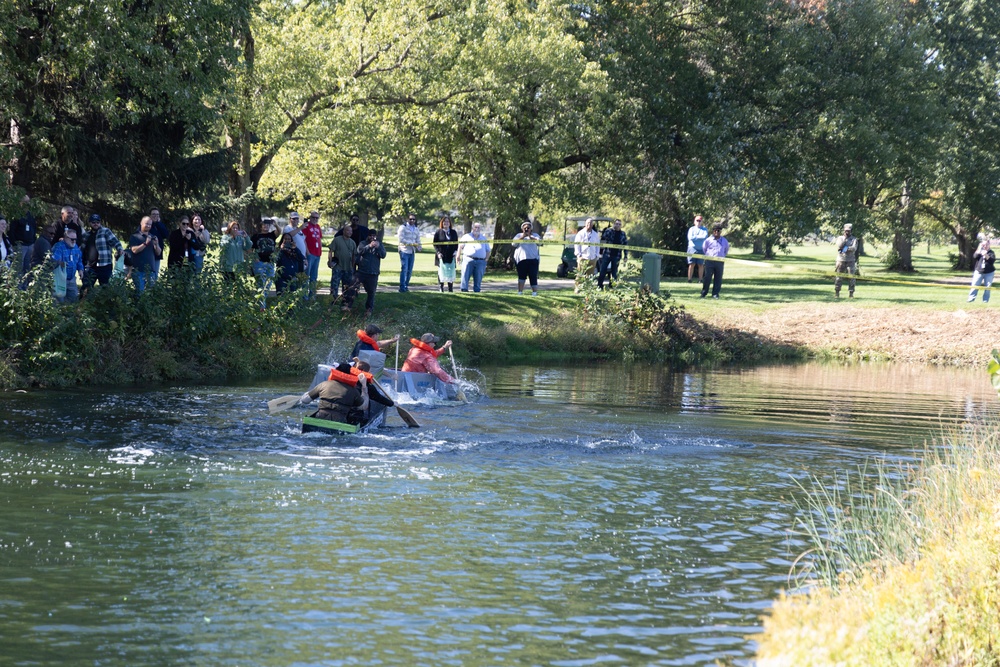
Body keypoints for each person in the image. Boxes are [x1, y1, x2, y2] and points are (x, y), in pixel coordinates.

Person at [298, 362, 369, 425]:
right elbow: (363, 407)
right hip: (340, 421)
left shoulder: (324, 384)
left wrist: (312, 392)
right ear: (349, 375)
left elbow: (305, 400)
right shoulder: (353, 391)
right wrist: (364, 386)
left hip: (321, 417)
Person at [80, 213, 123, 293]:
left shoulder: (105, 231)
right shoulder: (86, 235)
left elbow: (115, 242)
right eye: (93, 222)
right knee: (86, 289)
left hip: (104, 265)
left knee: (106, 289)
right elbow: (81, 249)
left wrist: (120, 249)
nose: (96, 224)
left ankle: (106, 305)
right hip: (90, 266)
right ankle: (83, 304)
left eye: (97, 222)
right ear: (90, 223)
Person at [355, 229, 387, 317]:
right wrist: (369, 246)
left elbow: (383, 255)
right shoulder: (363, 243)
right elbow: (359, 251)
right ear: (368, 236)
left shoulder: (379, 244)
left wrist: (378, 247)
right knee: (353, 287)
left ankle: (369, 309)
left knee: (371, 292)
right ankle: (348, 305)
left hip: (373, 272)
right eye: (370, 235)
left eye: (374, 236)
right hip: (362, 271)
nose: (372, 237)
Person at [50, 228, 84, 303]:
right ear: (65, 238)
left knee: (74, 300)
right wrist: (61, 263)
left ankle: (70, 314)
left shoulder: (76, 247)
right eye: (72, 239)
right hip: (60, 279)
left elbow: (79, 260)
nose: (74, 241)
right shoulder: (58, 247)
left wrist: (80, 270)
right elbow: (54, 261)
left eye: (75, 239)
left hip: (71, 279)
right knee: (59, 301)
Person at [128, 216, 160, 293]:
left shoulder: (152, 236)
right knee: (140, 293)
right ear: (141, 223)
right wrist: (145, 243)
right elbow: (134, 250)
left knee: (150, 294)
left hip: (151, 271)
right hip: (138, 271)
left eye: (150, 224)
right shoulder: (134, 236)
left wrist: (156, 245)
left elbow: (158, 253)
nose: (148, 226)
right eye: (146, 224)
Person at [327, 223, 357, 303]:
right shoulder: (337, 240)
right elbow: (330, 251)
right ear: (343, 231)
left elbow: (354, 255)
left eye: (351, 231)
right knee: (334, 286)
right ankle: (333, 302)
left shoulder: (353, 243)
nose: (349, 232)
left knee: (347, 287)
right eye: (348, 230)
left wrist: (352, 266)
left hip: (348, 268)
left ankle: (345, 303)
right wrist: (330, 262)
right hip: (338, 268)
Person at [251, 219, 278, 305]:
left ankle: (261, 302)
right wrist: (254, 258)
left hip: (270, 263)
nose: (266, 226)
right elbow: (250, 249)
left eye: (267, 225)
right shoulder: (256, 236)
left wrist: (276, 224)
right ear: (261, 226)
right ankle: (262, 305)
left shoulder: (272, 235)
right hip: (259, 263)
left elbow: (279, 231)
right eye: (264, 225)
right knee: (261, 284)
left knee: (269, 283)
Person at [457, 222, 490, 292]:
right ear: (472, 228)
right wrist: (458, 256)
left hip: (480, 261)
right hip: (468, 259)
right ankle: (464, 289)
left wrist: (486, 260)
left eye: (478, 228)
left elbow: (488, 250)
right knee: (465, 275)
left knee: (478, 277)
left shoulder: (483, 238)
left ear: (480, 229)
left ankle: (477, 290)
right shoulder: (466, 236)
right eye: (475, 227)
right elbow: (460, 246)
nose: (477, 229)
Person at [700, 223, 730, 299]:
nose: (716, 232)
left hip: (720, 262)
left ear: (721, 231)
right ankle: (704, 293)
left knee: (718, 278)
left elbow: (726, 250)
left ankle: (715, 294)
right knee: (707, 277)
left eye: (718, 230)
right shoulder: (708, 240)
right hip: (709, 261)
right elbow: (704, 249)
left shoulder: (724, 241)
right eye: (715, 230)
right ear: (713, 231)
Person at [597, 219, 628, 289]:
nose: (618, 225)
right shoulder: (609, 231)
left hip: (617, 255)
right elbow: (603, 239)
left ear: (621, 226)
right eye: (616, 224)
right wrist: (600, 252)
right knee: (603, 270)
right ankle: (599, 285)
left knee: (614, 272)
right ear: (614, 224)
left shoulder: (623, 234)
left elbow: (625, 245)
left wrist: (625, 255)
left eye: (619, 224)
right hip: (607, 254)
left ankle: (612, 286)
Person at [275, 225, 306, 294]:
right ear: (282, 240)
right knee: (281, 295)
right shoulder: (279, 250)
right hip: (282, 276)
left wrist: (295, 248)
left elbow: (301, 258)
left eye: (289, 239)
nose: (287, 241)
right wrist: (281, 250)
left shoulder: (294, 250)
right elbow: (276, 259)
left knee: (292, 295)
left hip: (293, 276)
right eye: (285, 239)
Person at [513, 220, 541, 296]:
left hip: (533, 259)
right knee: (521, 276)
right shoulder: (519, 235)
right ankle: (520, 292)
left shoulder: (535, 235)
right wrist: (523, 237)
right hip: (522, 260)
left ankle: (534, 292)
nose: (526, 229)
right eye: (525, 228)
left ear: (531, 229)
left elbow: (540, 243)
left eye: (528, 228)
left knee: (533, 276)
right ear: (522, 229)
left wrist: (530, 237)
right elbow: (514, 244)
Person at [10, 196, 36, 275]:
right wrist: (15, 244)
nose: (27, 204)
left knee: (27, 267)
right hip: (20, 245)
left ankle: (25, 286)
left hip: (30, 245)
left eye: (28, 202)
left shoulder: (30, 215)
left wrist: (33, 241)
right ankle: (17, 286)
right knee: (18, 267)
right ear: (20, 203)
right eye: (25, 202)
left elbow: (34, 228)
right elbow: (11, 230)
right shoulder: (16, 215)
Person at [433, 215, 459, 292]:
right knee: (441, 271)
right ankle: (441, 287)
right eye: (444, 221)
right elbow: (435, 243)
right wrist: (438, 253)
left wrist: (455, 252)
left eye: (447, 221)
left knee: (450, 271)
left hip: (451, 255)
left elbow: (456, 243)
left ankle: (450, 288)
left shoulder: (453, 232)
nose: (446, 223)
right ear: (442, 223)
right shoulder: (438, 232)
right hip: (441, 255)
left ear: (450, 223)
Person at [396, 213, 422, 292]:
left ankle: (406, 286)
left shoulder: (416, 229)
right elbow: (401, 239)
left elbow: (418, 240)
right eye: (410, 219)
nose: (412, 220)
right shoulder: (403, 227)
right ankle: (402, 287)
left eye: (414, 219)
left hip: (412, 251)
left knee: (409, 270)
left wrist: (419, 246)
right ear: (407, 219)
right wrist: (411, 243)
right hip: (404, 250)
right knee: (404, 269)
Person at [834, 223, 860, 298]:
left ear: (851, 231)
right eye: (846, 231)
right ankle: (837, 292)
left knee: (851, 277)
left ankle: (851, 293)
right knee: (838, 277)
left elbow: (854, 248)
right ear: (843, 230)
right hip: (840, 260)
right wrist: (845, 241)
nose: (847, 232)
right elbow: (839, 245)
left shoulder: (854, 239)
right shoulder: (840, 238)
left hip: (850, 260)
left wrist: (846, 248)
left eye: (848, 231)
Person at [574, 218, 600, 291]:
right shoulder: (580, 233)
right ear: (585, 224)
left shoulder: (595, 234)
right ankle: (577, 288)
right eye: (588, 223)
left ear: (592, 224)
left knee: (590, 275)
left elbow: (598, 245)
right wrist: (578, 255)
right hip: (583, 257)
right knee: (580, 274)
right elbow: (577, 244)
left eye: (590, 223)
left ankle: (588, 289)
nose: (589, 225)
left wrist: (596, 255)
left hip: (592, 257)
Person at [302, 211, 323, 298]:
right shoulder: (306, 226)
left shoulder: (318, 227)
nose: (315, 219)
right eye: (313, 217)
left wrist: (320, 251)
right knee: (306, 276)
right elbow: (303, 240)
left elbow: (319, 239)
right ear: (310, 217)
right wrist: (307, 253)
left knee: (314, 276)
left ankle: (312, 295)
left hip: (317, 254)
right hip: (309, 254)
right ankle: (304, 296)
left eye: (316, 218)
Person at [968, 236, 995, 303]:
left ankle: (985, 300)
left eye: (986, 244)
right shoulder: (979, 251)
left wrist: (985, 254)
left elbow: (991, 260)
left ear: (989, 245)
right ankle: (971, 299)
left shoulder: (991, 252)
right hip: (979, 272)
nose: (985, 246)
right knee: (975, 285)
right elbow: (974, 256)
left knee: (987, 287)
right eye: (983, 244)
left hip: (989, 273)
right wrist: (979, 249)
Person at [147, 208, 169, 283]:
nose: (155, 216)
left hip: (157, 253)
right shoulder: (146, 225)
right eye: (153, 214)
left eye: (157, 214)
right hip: (147, 254)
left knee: (155, 274)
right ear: (150, 215)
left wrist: (158, 223)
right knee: (147, 274)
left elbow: (165, 234)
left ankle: (152, 292)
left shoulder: (160, 225)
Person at [686, 215, 709, 283]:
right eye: (697, 220)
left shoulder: (704, 229)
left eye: (700, 220)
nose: (698, 222)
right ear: (694, 221)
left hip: (701, 249)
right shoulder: (691, 229)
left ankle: (700, 280)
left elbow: (704, 237)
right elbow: (690, 238)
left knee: (701, 265)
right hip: (692, 248)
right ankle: (689, 279)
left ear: (702, 222)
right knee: (691, 264)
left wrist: (695, 237)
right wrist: (699, 237)